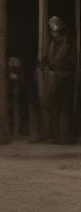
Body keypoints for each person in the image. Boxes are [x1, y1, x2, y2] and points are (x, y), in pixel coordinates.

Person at [43, 16, 75, 144]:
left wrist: (57, 66)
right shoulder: (51, 45)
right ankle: (54, 136)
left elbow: (71, 63)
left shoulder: (69, 45)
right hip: (53, 79)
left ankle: (65, 136)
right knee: (53, 107)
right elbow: (48, 60)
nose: (55, 34)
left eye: (57, 31)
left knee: (64, 108)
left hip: (65, 78)